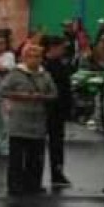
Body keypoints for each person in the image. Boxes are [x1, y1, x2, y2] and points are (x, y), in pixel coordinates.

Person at [0, 44, 58, 195]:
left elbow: (54, 93)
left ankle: (34, 184)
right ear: (24, 58)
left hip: (38, 121)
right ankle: (15, 185)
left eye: (38, 56)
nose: (35, 59)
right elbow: (3, 90)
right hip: (19, 120)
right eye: (31, 56)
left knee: (36, 156)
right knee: (17, 157)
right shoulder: (15, 74)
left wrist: (42, 97)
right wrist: (22, 96)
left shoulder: (45, 75)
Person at [42, 36, 73, 188]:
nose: (63, 50)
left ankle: (57, 172)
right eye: (61, 47)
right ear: (52, 47)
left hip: (58, 110)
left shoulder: (60, 64)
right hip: (48, 108)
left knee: (57, 143)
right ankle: (38, 173)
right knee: (43, 142)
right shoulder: (45, 65)